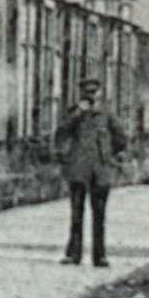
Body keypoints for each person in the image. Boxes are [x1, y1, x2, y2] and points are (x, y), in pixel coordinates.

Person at [57, 76, 127, 267]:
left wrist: (108, 154)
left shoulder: (107, 115)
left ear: (100, 93)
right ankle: (73, 254)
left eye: (93, 93)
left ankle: (100, 255)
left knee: (99, 216)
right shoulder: (74, 114)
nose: (90, 97)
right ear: (81, 94)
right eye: (87, 93)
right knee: (76, 214)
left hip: (100, 171)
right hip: (79, 170)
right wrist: (78, 113)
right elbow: (61, 133)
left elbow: (121, 139)